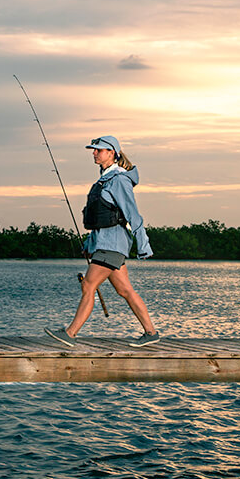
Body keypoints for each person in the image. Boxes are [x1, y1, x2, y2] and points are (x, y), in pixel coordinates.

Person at [45, 135, 161, 347]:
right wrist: (90, 245)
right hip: (105, 243)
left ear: (112, 153)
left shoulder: (119, 180)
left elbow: (133, 215)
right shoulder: (104, 180)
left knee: (89, 285)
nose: (94, 153)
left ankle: (70, 334)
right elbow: (100, 220)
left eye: (99, 150)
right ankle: (151, 333)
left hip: (113, 245)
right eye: (94, 149)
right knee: (125, 290)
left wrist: (143, 245)